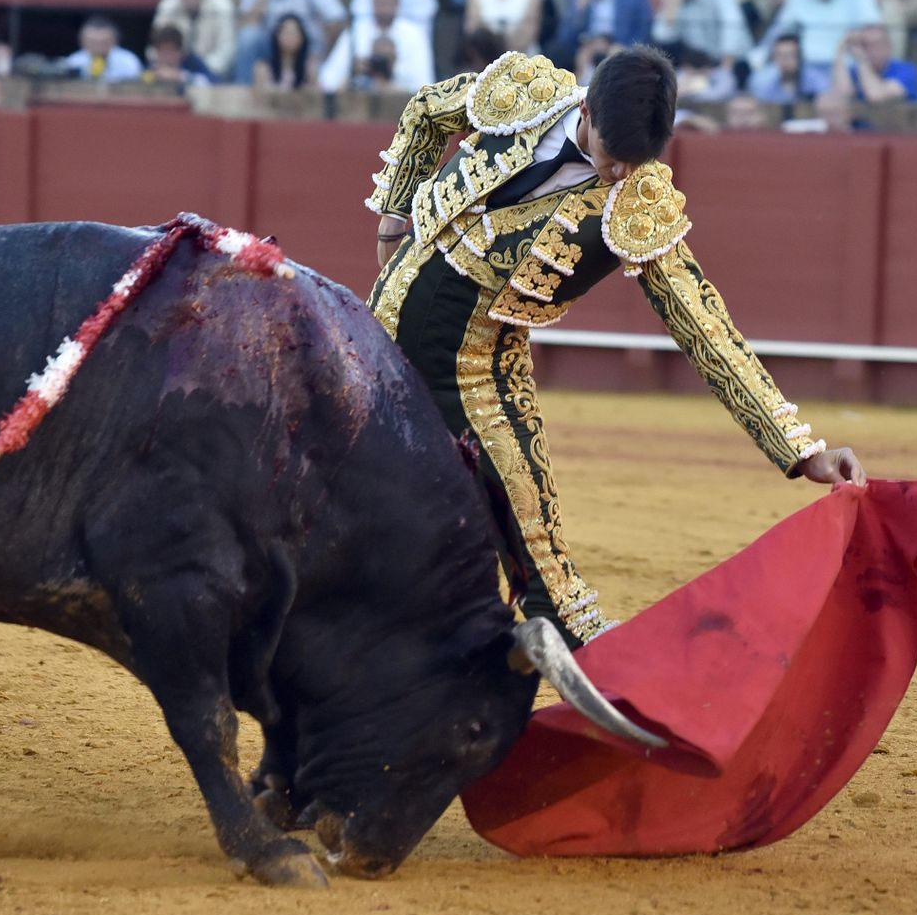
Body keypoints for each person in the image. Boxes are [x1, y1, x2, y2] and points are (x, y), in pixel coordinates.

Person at [365, 45, 865, 642]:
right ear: (589, 113)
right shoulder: (524, 94)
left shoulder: (636, 205)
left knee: (537, 547)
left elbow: (704, 325)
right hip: (374, 337)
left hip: (474, 372)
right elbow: (426, 111)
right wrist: (393, 216)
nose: (620, 175)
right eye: (612, 156)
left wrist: (802, 450)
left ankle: (595, 669)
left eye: (636, 162)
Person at [320, 0, 434, 93]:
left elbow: (424, 85)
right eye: (378, 3)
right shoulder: (356, 32)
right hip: (359, 102)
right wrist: (352, 72)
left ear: (397, 3)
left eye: (387, 2)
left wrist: (388, 77)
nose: (383, 8)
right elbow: (328, 81)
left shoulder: (413, 34)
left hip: (403, 105)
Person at [151, 0, 236, 80]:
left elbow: (226, 49)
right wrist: (165, 68)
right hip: (174, 65)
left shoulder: (221, 6)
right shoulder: (168, 5)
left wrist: (200, 74)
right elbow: (156, 42)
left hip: (213, 69)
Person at [831, 23, 917, 103]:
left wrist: (862, 60)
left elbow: (876, 96)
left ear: (889, 47)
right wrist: (840, 51)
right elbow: (842, 97)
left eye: (876, 45)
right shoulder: (855, 71)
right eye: (865, 45)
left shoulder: (906, 71)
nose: (870, 50)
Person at [747, 32, 828, 102]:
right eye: (779, 56)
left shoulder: (817, 80)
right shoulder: (762, 82)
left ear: (800, 57)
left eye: (789, 55)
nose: (784, 61)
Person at [64, 14, 143, 81]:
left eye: (103, 42)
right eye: (93, 42)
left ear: (115, 41)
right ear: (83, 42)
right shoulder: (74, 62)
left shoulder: (128, 61)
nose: (98, 47)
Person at [251, 12, 314, 90]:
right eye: (286, 32)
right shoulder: (263, 68)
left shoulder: (309, 69)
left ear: (302, 37)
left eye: (294, 33)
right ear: (277, 36)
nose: (290, 37)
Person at [143, 24, 216, 88]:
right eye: (162, 52)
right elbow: (141, 81)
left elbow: (214, 83)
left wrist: (181, 77)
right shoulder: (152, 68)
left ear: (180, 52)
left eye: (170, 51)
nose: (166, 57)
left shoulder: (192, 62)